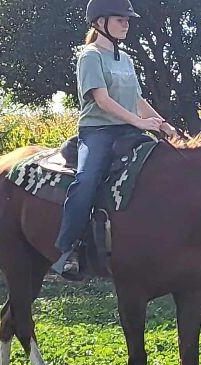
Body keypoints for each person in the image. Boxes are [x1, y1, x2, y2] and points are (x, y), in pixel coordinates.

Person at [52, 0, 176, 278]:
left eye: (127, 20)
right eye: (119, 19)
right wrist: (141, 123)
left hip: (129, 130)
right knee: (85, 180)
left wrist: (164, 125)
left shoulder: (126, 59)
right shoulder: (90, 56)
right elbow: (102, 100)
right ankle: (69, 249)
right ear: (99, 23)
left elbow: (136, 99)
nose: (126, 24)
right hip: (97, 132)